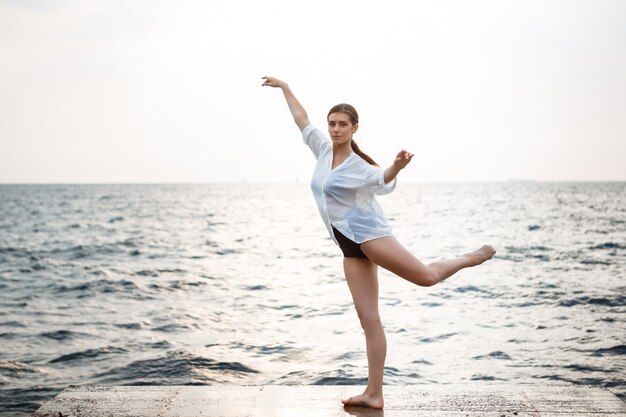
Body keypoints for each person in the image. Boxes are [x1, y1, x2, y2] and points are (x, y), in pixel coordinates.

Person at [262, 76, 496, 409]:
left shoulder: (359, 166)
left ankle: (471, 257)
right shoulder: (323, 149)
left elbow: (381, 178)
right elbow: (302, 120)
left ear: (355, 128)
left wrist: (396, 166)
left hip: (369, 236)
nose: (335, 129)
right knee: (369, 320)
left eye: (343, 124)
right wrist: (285, 87)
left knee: (427, 278)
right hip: (348, 247)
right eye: (332, 124)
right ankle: (374, 394)